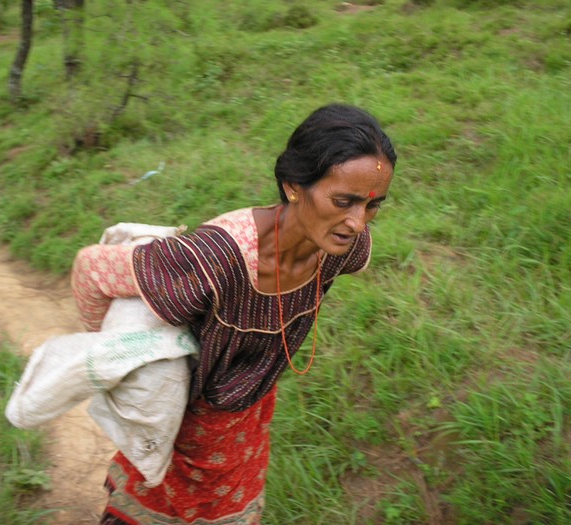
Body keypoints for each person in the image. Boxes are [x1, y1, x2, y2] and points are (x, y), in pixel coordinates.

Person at [70, 103, 397, 525]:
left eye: (372, 206)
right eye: (343, 201)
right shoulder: (219, 256)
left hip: (247, 417)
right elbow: (91, 269)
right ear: (293, 186)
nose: (357, 222)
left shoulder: (344, 248)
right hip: (179, 418)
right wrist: (117, 358)